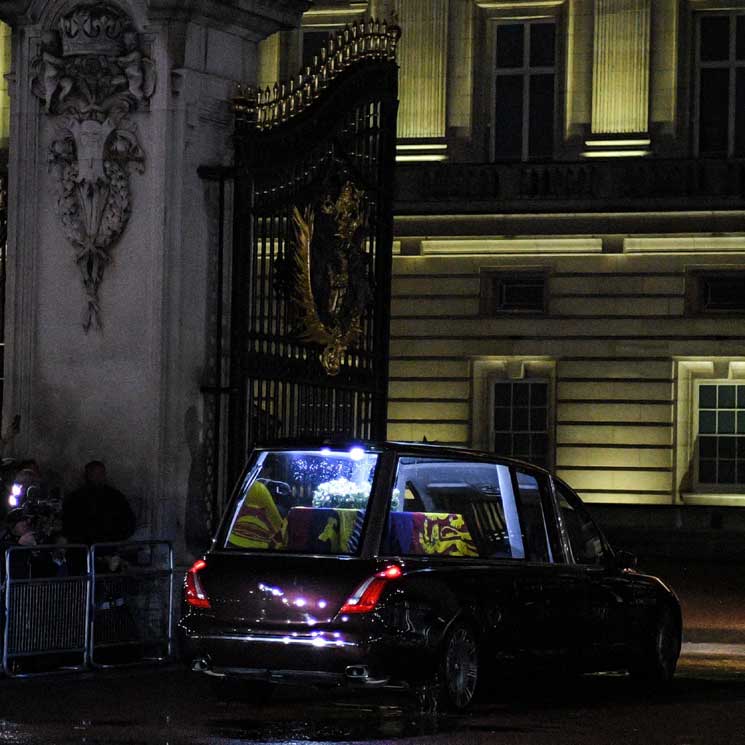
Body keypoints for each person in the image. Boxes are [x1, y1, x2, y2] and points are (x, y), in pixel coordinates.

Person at [62, 461, 136, 546]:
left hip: (110, 546)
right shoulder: (75, 498)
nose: (98, 477)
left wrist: (115, 538)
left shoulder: (115, 497)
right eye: (94, 474)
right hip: (83, 548)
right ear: (87, 476)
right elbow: (69, 524)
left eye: (101, 474)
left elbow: (128, 521)